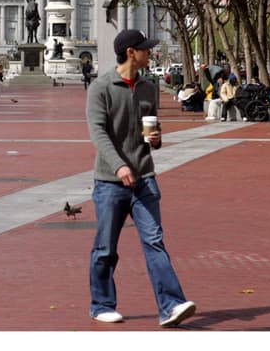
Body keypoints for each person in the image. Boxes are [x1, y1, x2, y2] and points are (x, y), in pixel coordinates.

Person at [85, 29, 196, 327]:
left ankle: (171, 305)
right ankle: (101, 304)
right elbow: (98, 133)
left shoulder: (148, 87)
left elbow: (152, 129)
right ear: (131, 52)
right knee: (105, 248)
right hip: (110, 181)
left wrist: (156, 139)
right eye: (145, 49)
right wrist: (119, 166)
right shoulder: (101, 87)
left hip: (145, 178)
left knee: (154, 241)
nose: (150, 53)